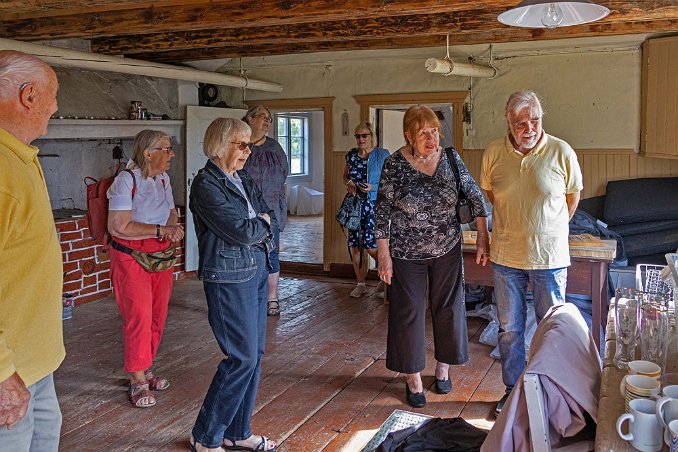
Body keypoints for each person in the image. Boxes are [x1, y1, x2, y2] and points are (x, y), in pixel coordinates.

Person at [375, 105, 490, 408]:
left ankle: (443, 367)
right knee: (408, 312)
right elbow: (382, 211)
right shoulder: (393, 164)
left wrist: (481, 235)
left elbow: (475, 196)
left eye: (434, 130)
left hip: (447, 247)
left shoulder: (451, 158)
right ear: (408, 135)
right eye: (423, 132)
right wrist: (384, 255)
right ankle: (412, 376)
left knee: (449, 308)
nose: (430, 137)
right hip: (405, 252)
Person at [480, 90, 582, 415]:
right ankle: (513, 392)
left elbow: (572, 197)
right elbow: (492, 195)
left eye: (534, 120)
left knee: (550, 330)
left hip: (549, 259)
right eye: (521, 122)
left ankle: (551, 394)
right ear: (508, 122)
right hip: (506, 257)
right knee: (509, 330)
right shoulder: (493, 153)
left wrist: (548, 228)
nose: (529, 128)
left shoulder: (561, 151)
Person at [189, 118, 277, 452]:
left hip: (255, 269)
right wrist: (261, 224)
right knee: (240, 358)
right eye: (241, 145)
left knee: (254, 355)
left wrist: (261, 223)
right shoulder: (206, 185)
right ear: (220, 145)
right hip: (228, 277)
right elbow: (242, 230)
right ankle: (205, 436)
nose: (248, 151)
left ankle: (237, 432)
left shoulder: (241, 178)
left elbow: (269, 214)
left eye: (248, 144)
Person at [0, 50, 64, 450]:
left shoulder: (17, 156)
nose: (56, 106)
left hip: (34, 366)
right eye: (54, 94)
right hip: (9, 374)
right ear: (28, 96)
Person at [107, 129, 184, 408]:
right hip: (130, 256)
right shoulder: (125, 181)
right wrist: (161, 229)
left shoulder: (163, 178)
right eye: (166, 148)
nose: (171, 153)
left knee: (157, 315)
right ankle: (137, 377)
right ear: (148, 153)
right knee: (138, 315)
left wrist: (172, 227)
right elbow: (118, 226)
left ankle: (146, 365)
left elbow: (172, 209)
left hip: (159, 254)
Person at [243, 106, 288, 317]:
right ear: (249, 119)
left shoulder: (275, 148)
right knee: (246, 252)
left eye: (269, 118)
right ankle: (249, 296)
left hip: (271, 210)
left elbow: (283, 176)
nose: (266, 121)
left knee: (271, 254)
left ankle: (272, 298)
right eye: (262, 117)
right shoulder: (240, 145)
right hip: (244, 211)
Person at [342, 121, 389, 297]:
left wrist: (373, 187)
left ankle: (386, 278)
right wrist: (349, 183)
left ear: (371, 136)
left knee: (372, 246)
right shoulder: (351, 156)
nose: (361, 139)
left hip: (374, 205)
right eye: (358, 136)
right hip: (355, 205)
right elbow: (345, 175)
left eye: (364, 135)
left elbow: (389, 181)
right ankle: (360, 283)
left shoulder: (382, 155)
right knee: (355, 246)